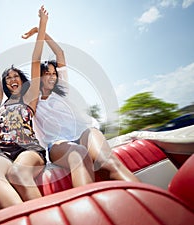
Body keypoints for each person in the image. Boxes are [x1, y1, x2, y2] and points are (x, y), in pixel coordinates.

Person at [22, 27, 140, 187]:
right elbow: (35, 61)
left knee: (108, 161)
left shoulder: (62, 89)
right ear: (39, 77)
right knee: (79, 154)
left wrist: (41, 31)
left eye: (53, 73)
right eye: (46, 73)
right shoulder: (34, 100)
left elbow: (60, 53)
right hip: (58, 143)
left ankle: (147, 200)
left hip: (84, 132)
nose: (51, 76)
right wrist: (40, 28)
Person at [0, 6, 48, 210]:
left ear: (23, 80)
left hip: (28, 149)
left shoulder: (29, 97)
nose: (12, 79)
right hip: (2, 152)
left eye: (16, 76)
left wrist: (42, 25)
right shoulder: (2, 100)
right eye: (8, 78)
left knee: (17, 173)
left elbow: (36, 59)